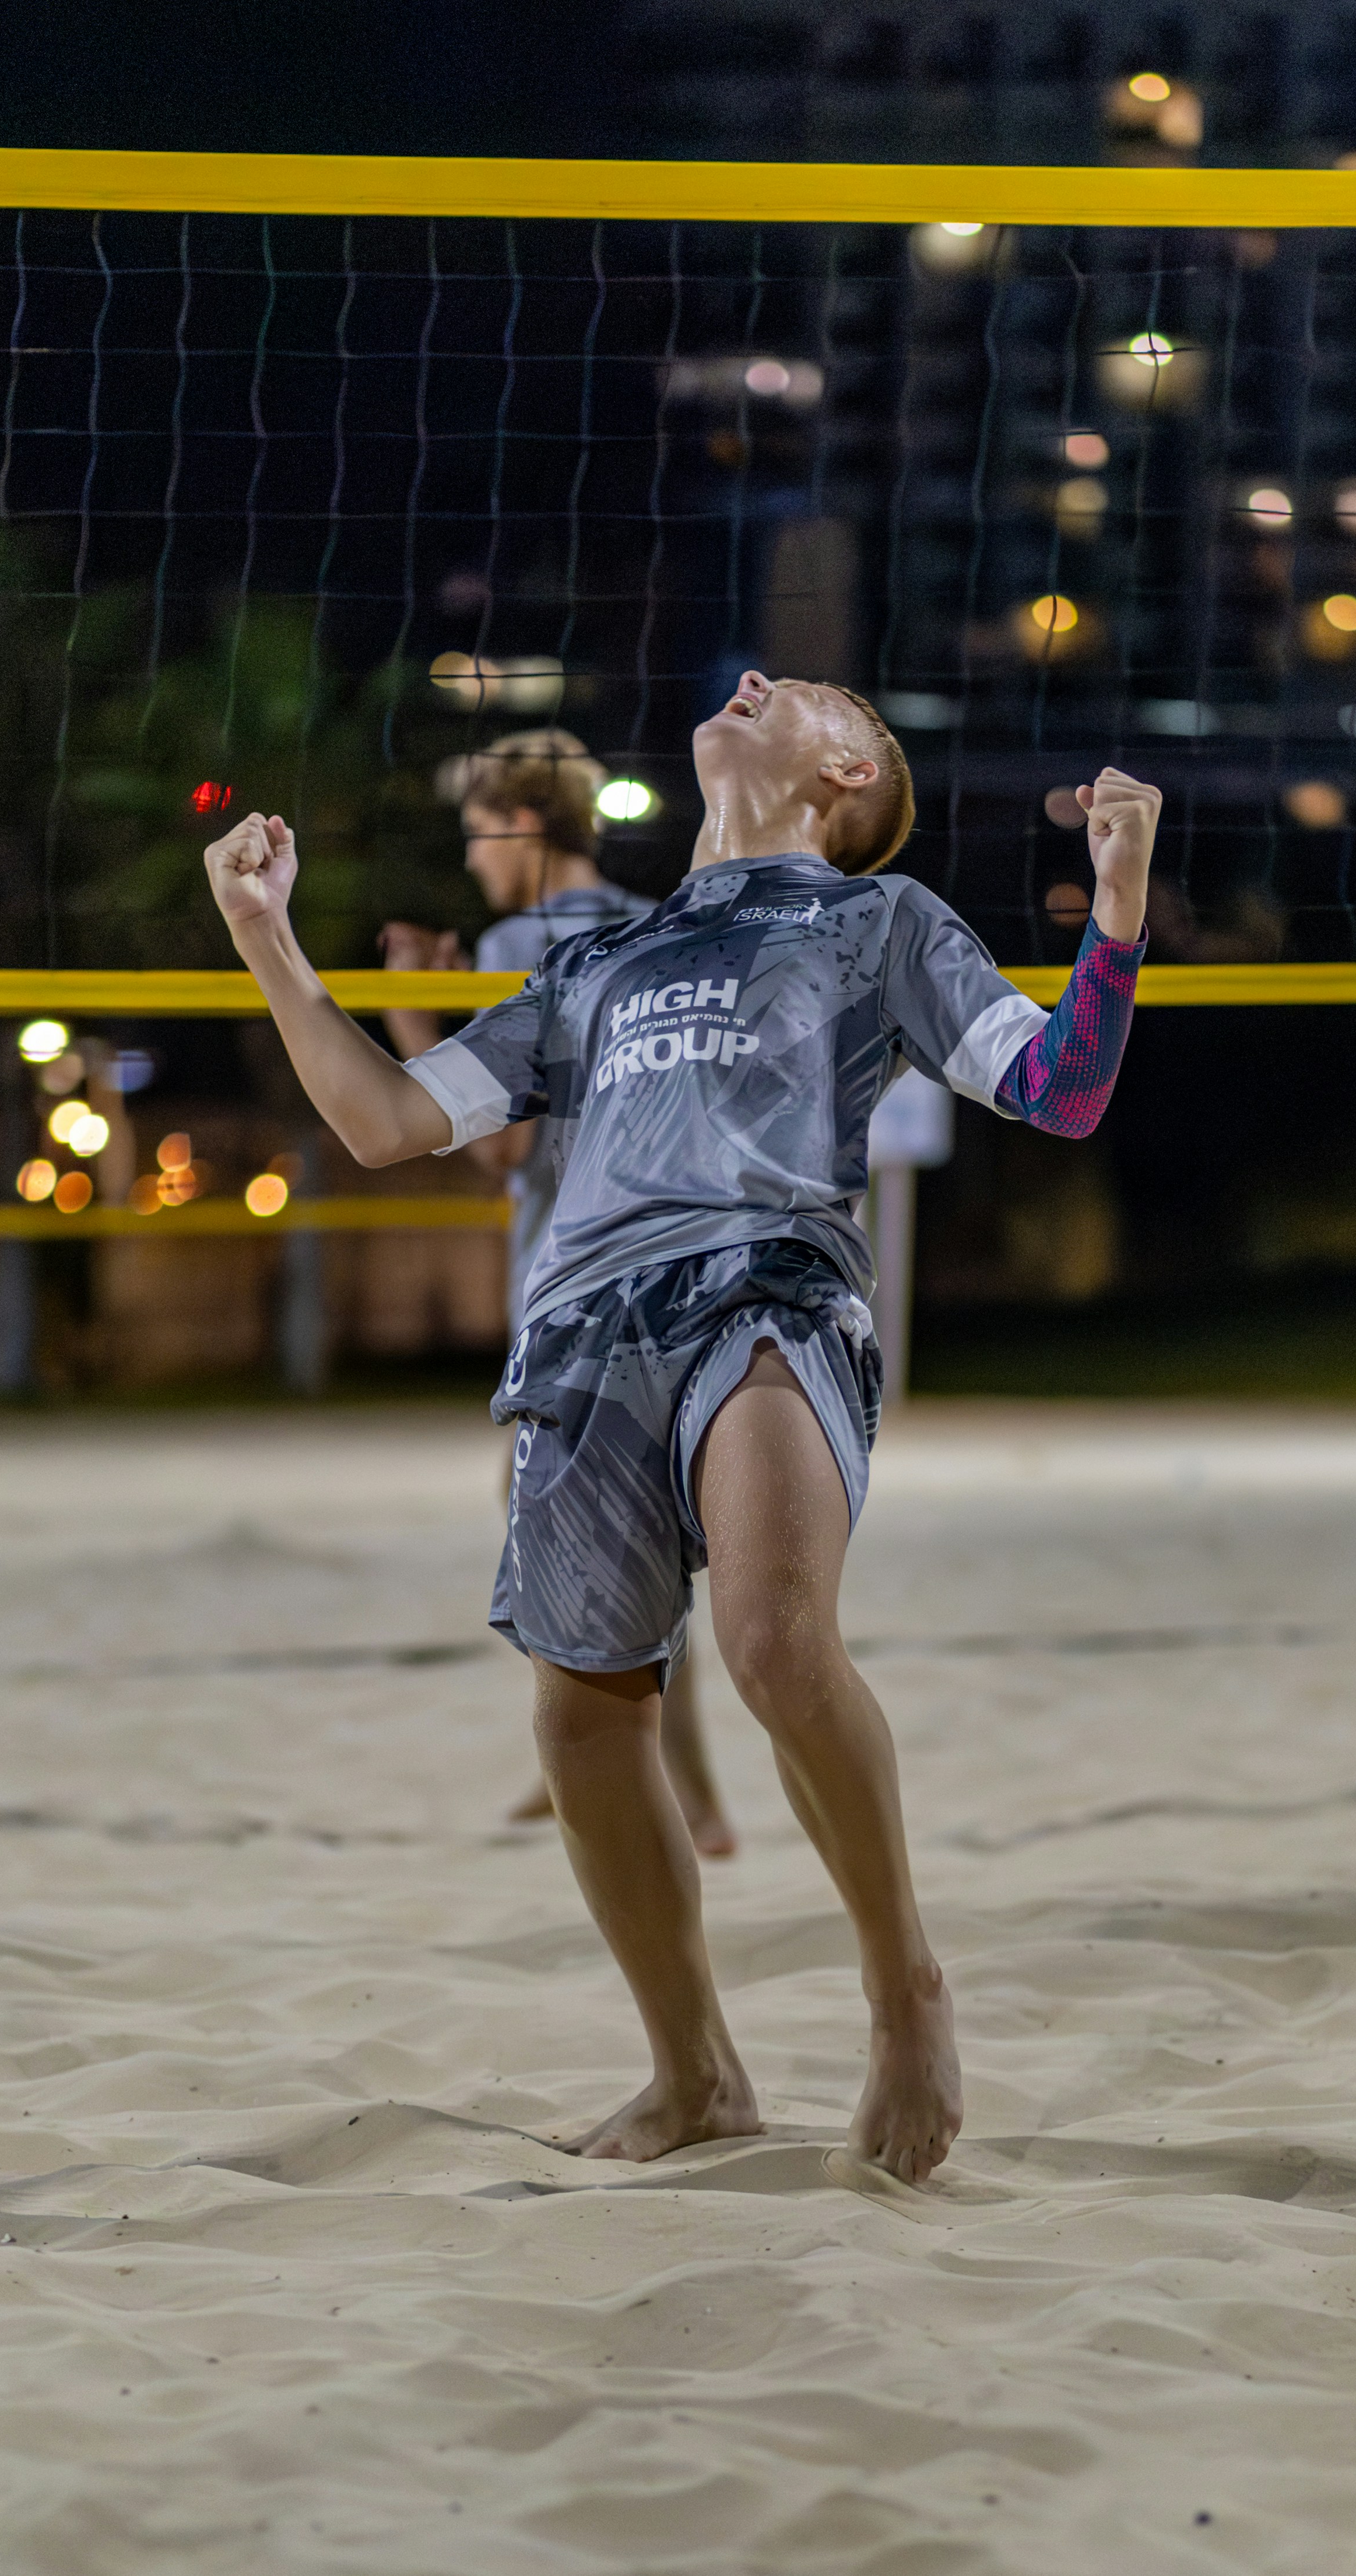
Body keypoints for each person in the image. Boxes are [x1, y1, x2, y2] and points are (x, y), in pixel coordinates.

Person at [203, 671, 1158, 2184]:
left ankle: (903, 1986)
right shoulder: (605, 955)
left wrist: (1111, 913)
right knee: (583, 1715)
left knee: (777, 1641)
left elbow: (1058, 1088)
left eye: (802, 694)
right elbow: (386, 1121)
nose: (753, 681)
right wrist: (266, 937)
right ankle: (695, 2072)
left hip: (767, 1283)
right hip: (582, 1328)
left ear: (843, 770)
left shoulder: (878, 921)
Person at [378, 732, 736, 1859]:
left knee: (591, 1549)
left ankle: (682, 1795)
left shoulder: (517, 941)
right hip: (683, 1264)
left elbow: (493, 1151)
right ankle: (611, 1762)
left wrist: (410, 1015)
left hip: (575, 1283)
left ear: (525, 829)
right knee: (620, 1548)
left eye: (482, 834)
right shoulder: (666, 920)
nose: (476, 859)